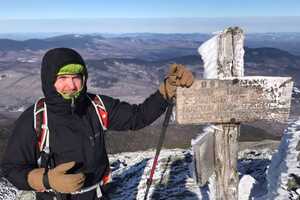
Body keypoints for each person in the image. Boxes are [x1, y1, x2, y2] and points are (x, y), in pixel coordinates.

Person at [1, 48, 194, 200]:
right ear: (49, 81)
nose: (71, 85)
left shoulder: (97, 106)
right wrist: (47, 180)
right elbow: (11, 168)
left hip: (99, 195)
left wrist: (166, 91)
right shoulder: (36, 118)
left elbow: (137, 117)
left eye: (76, 77)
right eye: (62, 78)